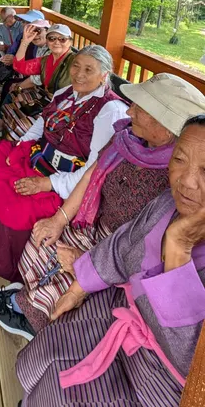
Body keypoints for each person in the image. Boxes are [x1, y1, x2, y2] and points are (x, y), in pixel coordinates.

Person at [0, 73, 205, 339]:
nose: (129, 110)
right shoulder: (126, 139)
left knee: (66, 282)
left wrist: (87, 262)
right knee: (40, 240)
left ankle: (28, 315)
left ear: (166, 127)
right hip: (94, 225)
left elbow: (142, 251)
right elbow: (90, 175)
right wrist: (59, 219)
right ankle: (28, 297)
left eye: (139, 109)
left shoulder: (178, 181)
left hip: (125, 256)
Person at [15, 114, 205, 407]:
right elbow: (123, 243)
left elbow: (192, 363)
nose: (187, 181)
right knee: (51, 347)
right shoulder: (167, 202)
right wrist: (79, 287)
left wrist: (178, 250)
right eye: (180, 159)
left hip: (164, 380)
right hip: (126, 307)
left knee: (69, 394)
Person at [0, 45, 128, 284]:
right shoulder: (65, 93)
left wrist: (47, 184)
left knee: (17, 208)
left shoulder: (109, 110)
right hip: (40, 159)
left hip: (66, 179)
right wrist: (20, 145)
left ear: (104, 75)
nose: (79, 74)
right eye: (76, 65)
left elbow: (92, 171)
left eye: (89, 69)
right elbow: (41, 124)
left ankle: (9, 263)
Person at [0, 22, 71, 139]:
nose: (56, 42)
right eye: (52, 38)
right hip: (46, 97)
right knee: (13, 95)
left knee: (14, 91)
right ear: (48, 40)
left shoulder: (73, 62)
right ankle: (4, 131)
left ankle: (14, 140)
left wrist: (20, 87)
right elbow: (19, 66)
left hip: (63, 107)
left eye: (62, 39)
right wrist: (25, 42)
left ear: (70, 41)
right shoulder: (47, 59)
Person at [0, 9, 44, 110]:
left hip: (26, 72)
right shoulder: (20, 34)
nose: (24, 25)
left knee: (8, 82)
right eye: (23, 22)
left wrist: (13, 59)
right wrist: (9, 55)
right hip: (16, 62)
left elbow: (33, 63)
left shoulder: (39, 41)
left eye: (28, 23)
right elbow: (13, 49)